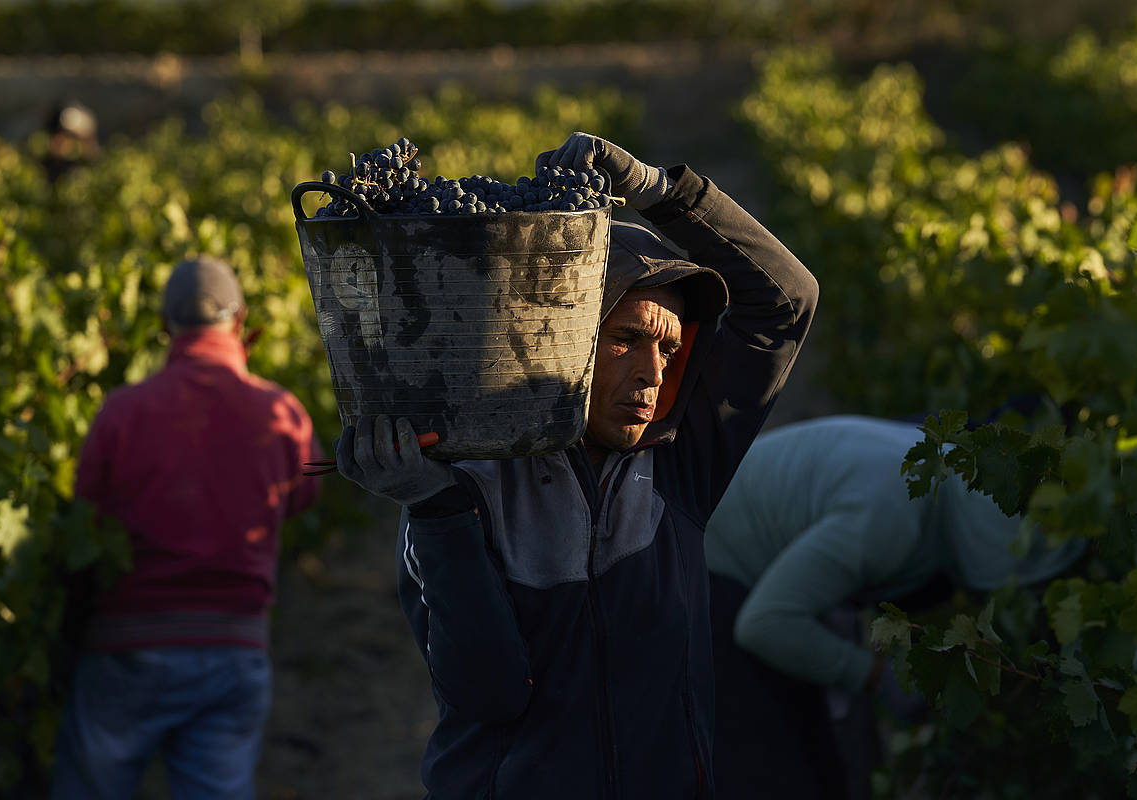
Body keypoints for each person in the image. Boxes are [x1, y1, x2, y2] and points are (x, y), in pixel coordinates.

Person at [335, 132, 819, 798]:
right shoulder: (469, 480)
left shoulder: (678, 467)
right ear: (564, 342)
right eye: (627, 340)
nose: (654, 374)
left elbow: (787, 300)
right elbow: (490, 693)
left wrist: (660, 190)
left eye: (671, 353)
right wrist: (435, 512)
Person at [703, 414, 1087, 799]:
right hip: (711, 578)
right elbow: (764, 625)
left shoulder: (940, 467)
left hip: (746, 559)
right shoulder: (888, 522)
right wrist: (876, 676)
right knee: (778, 774)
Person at [52, 255, 323, 799]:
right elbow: (303, 496)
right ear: (240, 319)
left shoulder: (121, 413)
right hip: (234, 648)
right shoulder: (284, 413)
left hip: (127, 647)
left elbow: (85, 523)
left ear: (163, 327)